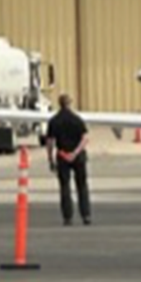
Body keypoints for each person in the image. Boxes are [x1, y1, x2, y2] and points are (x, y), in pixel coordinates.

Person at [46, 94, 91, 226]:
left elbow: (50, 142)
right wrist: (76, 152)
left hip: (62, 155)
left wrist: (50, 158)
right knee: (82, 185)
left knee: (64, 187)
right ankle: (86, 214)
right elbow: (85, 138)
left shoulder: (54, 121)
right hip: (78, 156)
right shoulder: (77, 119)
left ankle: (67, 216)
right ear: (70, 103)